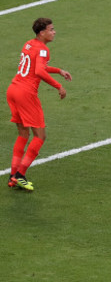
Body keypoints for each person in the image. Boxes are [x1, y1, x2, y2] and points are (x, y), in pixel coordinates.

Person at [6, 18, 72, 191]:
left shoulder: (29, 44)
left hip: (13, 89)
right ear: (42, 32)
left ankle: (13, 175)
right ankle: (20, 175)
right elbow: (39, 71)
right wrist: (59, 86)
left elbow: (36, 66)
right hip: (26, 94)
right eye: (51, 29)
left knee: (22, 134)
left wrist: (59, 71)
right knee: (40, 136)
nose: (54, 32)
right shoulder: (43, 49)